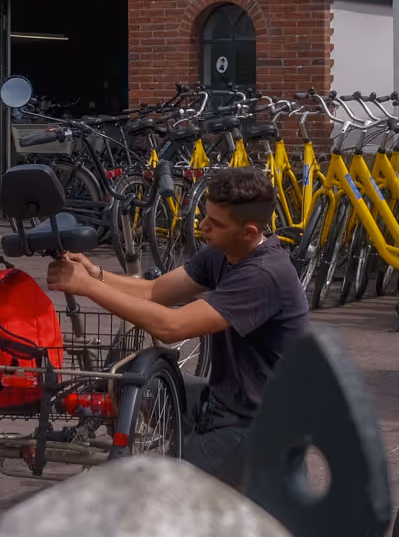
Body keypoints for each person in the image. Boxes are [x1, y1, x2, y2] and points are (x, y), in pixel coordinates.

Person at [46, 167, 308, 485]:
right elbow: (154, 291)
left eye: (216, 223)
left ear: (249, 232)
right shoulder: (223, 253)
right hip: (223, 402)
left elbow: (172, 326)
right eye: (205, 215)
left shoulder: (264, 275)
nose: (203, 225)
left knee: (166, 494)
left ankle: (230, 486)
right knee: (134, 388)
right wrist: (94, 274)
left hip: (258, 428)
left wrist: (87, 288)